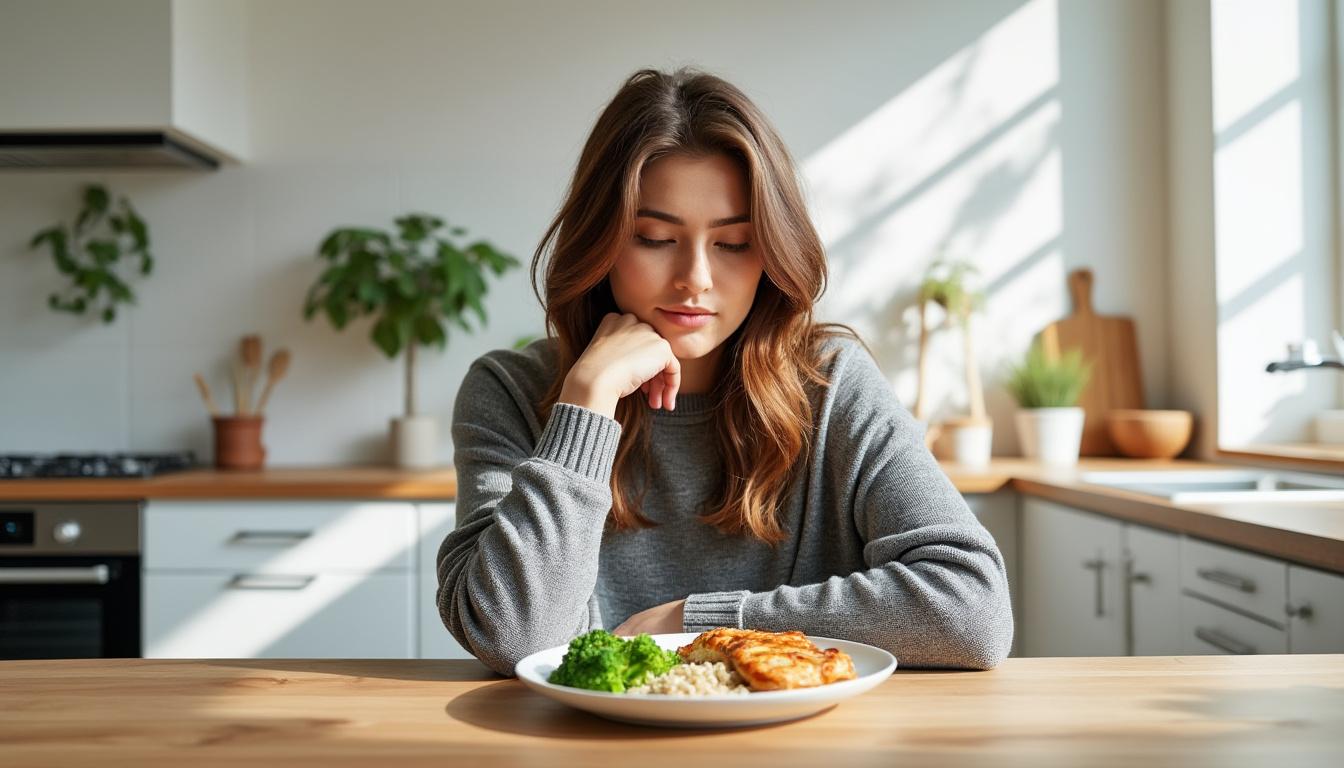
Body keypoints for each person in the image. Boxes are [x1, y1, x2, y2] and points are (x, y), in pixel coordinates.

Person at [437, 66, 1013, 676]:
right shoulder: (510, 390)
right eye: (655, 238)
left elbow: (972, 613)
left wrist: (702, 619)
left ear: (771, 252)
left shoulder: (832, 384)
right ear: (601, 242)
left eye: (733, 243)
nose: (696, 279)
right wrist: (585, 404)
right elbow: (514, 637)